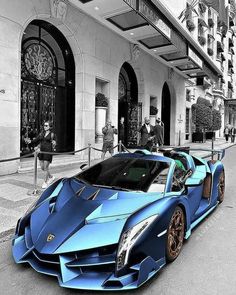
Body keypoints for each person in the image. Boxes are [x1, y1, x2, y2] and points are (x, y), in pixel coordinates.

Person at [26, 121, 57, 189]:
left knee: (46, 167)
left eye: (46, 125)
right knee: (43, 168)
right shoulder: (42, 133)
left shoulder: (52, 134)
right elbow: (36, 140)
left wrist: (54, 143)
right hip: (41, 152)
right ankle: (51, 177)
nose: (45, 127)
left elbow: (55, 142)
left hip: (48, 152)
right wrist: (30, 141)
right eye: (44, 125)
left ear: (50, 126)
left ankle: (45, 182)